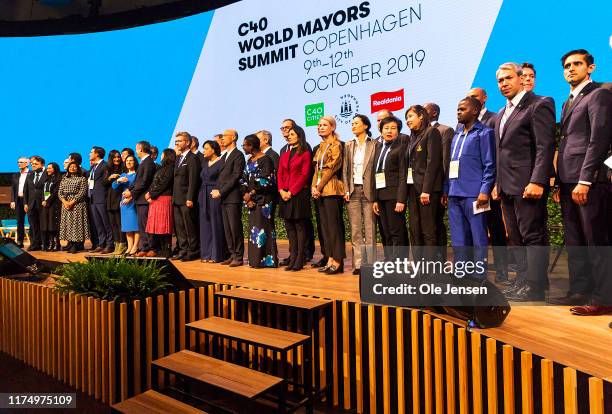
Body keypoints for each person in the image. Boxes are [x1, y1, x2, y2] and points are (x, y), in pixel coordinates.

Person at [549, 49, 612, 315]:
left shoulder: (599, 94)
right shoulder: (568, 101)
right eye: (567, 65)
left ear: (591, 68)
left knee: (596, 241)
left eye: (577, 64)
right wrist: (557, 182)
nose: (571, 69)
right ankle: (580, 290)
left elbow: (598, 139)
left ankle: (604, 297)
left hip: (588, 181)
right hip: (566, 180)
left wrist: (585, 179)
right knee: (575, 240)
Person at [492, 62, 555, 301]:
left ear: (522, 79)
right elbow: (501, 152)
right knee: (516, 238)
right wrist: (497, 184)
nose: (504, 83)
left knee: (533, 236)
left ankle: (535, 287)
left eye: (508, 78)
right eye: (500, 80)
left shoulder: (539, 104)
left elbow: (544, 146)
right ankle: (521, 282)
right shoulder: (501, 112)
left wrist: (538, 180)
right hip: (506, 186)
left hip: (528, 184)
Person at [445, 97, 496, 279]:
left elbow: (490, 165)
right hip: (454, 193)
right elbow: (451, 164)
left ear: (475, 111)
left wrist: (484, 191)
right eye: (458, 109)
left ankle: (479, 275)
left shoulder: (485, 133)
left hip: (474, 194)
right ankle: (461, 271)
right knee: (459, 237)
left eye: (462, 109)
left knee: (478, 237)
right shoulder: (457, 134)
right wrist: (447, 190)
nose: (458, 112)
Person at [467, 86, 509, 283]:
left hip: (489, 186)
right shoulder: (464, 125)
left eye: (475, 97)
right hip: (469, 189)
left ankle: (502, 272)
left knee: (495, 227)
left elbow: (496, 155)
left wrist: (493, 183)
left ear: (484, 98)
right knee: (476, 230)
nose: (471, 100)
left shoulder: (494, 118)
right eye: (468, 97)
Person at [405, 105, 444, 262]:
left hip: (426, 190)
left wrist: (426, 190)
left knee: (428, 230)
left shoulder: (431, 132)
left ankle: (429, 267)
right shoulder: (412, 137)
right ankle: (418, 266)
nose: (408, 120)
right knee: (414, 229)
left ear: (421, 116)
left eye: (411, 116)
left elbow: (433, 163)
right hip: (412, 189)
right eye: (406, 117)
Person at [342, 114, 376, 274]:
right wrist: (346, 189)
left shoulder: (375, 143)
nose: (353, 126)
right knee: (355, 230)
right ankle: (358, 264)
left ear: (366, 126)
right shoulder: (348, 145)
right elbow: (345, 170)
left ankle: (370, 264)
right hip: (353, 190)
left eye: (356, 123)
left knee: (370, 229)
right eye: (352, 123)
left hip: (369, 191)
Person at [279, 118, 315, 267]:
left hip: (298, 195)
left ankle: (300, 259)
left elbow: (304, 175)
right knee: (289, 227)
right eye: (288, 134)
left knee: (300, 227)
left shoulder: (305, 153)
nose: (289, 136)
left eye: (292, 134)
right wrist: (281, 190)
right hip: (284, 194)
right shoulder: (285, 154)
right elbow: (280, 174)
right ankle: (292, 257)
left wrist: (291, 191)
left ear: (299, 136)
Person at [312, 116, 345, 274]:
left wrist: (318, 186)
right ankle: (330, 258)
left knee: (334, 227)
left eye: (324, 125)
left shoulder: (336, 145)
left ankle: (338, 261)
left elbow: (331, 169)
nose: (320, 127)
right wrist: (313, 187)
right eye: (319, 125)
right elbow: (317, 169)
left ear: (333, 127)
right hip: (320, 191)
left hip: (331, 189)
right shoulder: (320, 146)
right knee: (325, 228)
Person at [372, 116, 408, 260]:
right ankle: (389, 259)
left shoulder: (401, 147)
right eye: (386, 128)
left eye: (393, 128)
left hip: (394, 196)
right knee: (386, 231)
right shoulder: (379, 147)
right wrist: (375, 199)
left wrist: (401, 199)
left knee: (396, 231)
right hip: (381, 195)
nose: (389, 131)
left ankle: (400, 261)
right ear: (380, 130)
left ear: (398, 131)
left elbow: (403, 174)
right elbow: (375, 173)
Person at [240, 134, 278, 268]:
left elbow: (266, 180)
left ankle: (267, 261)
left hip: (263, 200)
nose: (243, 147)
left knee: (264, 229)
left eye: (244, 145)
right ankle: (255, 260)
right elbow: (243, 179)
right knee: (254, 230)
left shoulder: (266, 159)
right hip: (251, 200)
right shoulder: (249, 160)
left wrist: (251, 194)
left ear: (251, 146)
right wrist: (245, 195)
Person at [425, 103, 455, 256]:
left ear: (434, 113)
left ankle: (440, 257)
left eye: (426, 111)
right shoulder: (417, 133)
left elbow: (445, 160)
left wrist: (445, 187)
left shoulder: (445, 130)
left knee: (437, 222)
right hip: (423, 185)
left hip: (438, 185)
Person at [213, 129, 246, 267]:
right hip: (223, 197)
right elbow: (221, 176)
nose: (222, 139)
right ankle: (232, 254)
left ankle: (238, 256)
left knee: (235, 228)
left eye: (224, 136)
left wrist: (221, 191)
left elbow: (235, 176)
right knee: (227, 228)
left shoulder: (238, 155)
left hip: (232, 197)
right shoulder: (224, 155)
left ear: (233, 138)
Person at [123, 141, 156, 256]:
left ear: (141, 149)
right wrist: (129, 190)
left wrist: (131, 193)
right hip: (139, 199)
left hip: (144, 199)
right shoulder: (143, 162)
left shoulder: (148, 162)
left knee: (146, 224)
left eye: (136, 149)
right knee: (142, 224)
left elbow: (144, 182)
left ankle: (151, 248)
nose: (136, 151)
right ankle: (145, 247)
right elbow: (137, 181)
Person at [173, 132, 201, 261]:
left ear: (188, 142)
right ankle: (183, 249)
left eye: (179, 141)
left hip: (186, 199)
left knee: (189, 227)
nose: (177, 143)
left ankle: (193, 250)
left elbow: (193, 180)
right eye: (176, 141)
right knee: (179, 227)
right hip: (177, 199)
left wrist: (190, 197)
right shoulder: (178, 158)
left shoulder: (192, 158)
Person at [199, 140, 227, 263]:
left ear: (213, 149)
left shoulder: (221, 162)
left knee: (216, 224)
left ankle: (216, 255)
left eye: (206, 148)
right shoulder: (205, 162)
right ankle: (206, 254)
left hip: (215, 194)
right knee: (205, 225)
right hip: (203, 194)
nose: (203, 151)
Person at [145, 149, 175, 258]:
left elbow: (163, 184)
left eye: (162, 154)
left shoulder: (170, 168)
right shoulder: (161, 168)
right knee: (157, 227)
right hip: (156, 199)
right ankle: (160, 249)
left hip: (164, 198)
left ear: (167, 155)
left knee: (164, 227)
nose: (161, 156)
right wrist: (149, 193)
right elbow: (154, 183)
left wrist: (151, 194)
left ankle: (167, 250)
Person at [58, 162, 90, 254]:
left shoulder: (82, 179)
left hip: (77, 204)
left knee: (76, 224)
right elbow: (60, 192)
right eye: (70, 167)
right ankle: (70, 244)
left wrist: (72, 202)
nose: (72, 168)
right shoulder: (64, 178)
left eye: (74, 167)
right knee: (67, 224)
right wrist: (65, 202)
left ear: (78, 168)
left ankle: (76, 245)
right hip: (65, 204)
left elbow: (82, 192)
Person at [88, 146, 114, 254]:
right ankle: (101, 244)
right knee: (98, 224)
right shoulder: (93, 167)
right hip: (93, 198)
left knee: (106, 223)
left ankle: (109, 245)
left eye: (91, 152)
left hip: (102, 198)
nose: (89, 154)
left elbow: (106, 182)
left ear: (97, 154)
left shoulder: (105, 166)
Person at [112, 155, 139, 255]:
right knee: (127, 226)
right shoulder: (124, 174)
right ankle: (129, 246)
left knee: (135, 226)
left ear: (135, 162)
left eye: (131, 160)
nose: (128, 162)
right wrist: (118, 180)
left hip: (133, 201)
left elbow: (139, 188)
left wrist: (131, 197)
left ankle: (135, 246)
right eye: (127, 160)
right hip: (124, 203)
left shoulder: (137, 174)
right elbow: (114, 186)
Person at [104, 150, 126, 255]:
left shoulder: (124, 168)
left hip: (119, 197)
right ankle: (117, 244)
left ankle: (123, 244)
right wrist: (109, 178)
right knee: (113, 224)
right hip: (110, 198)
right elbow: (104, 183)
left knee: (119, 223)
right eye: (114, 157)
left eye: (118, 157)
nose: (117, 159)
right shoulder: (108, 168)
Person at [23, 156, 47, 251]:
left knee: (43, 225)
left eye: (36, 164)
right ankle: (34, 244)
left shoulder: (47, 173)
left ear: (42, 164)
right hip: (31, 204)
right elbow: (26, 190)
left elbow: (49, 189)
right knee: (33, 225)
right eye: (32, 164)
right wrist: (25, 203)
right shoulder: (30, 174)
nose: (33, 165)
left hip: (43, 204)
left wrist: (47, 201)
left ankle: (44, 244)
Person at [40, 162, 62, 251]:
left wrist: (47, 201)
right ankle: (50, 244)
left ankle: (57, 244)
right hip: (45, 205)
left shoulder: (58, 179)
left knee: (54, 225)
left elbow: (55, 192)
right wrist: (43, 200)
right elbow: (43, 192)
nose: (47, 170)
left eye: (49, 168)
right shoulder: (46, 179)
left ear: (55, 169)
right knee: (47, 225)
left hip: (54, 204)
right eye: (47, 168)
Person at [10, 157, 29, 248]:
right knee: (19, 222)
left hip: (29, 201)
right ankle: (20, 242)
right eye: (18, 162)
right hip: (18, 200)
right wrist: (12, 200)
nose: (19, 163)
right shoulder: (15, 175)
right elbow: (13, 189)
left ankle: (35, 242)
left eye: (21, 162)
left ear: (27, 163)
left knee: (33, 222)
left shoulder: (31, 174)